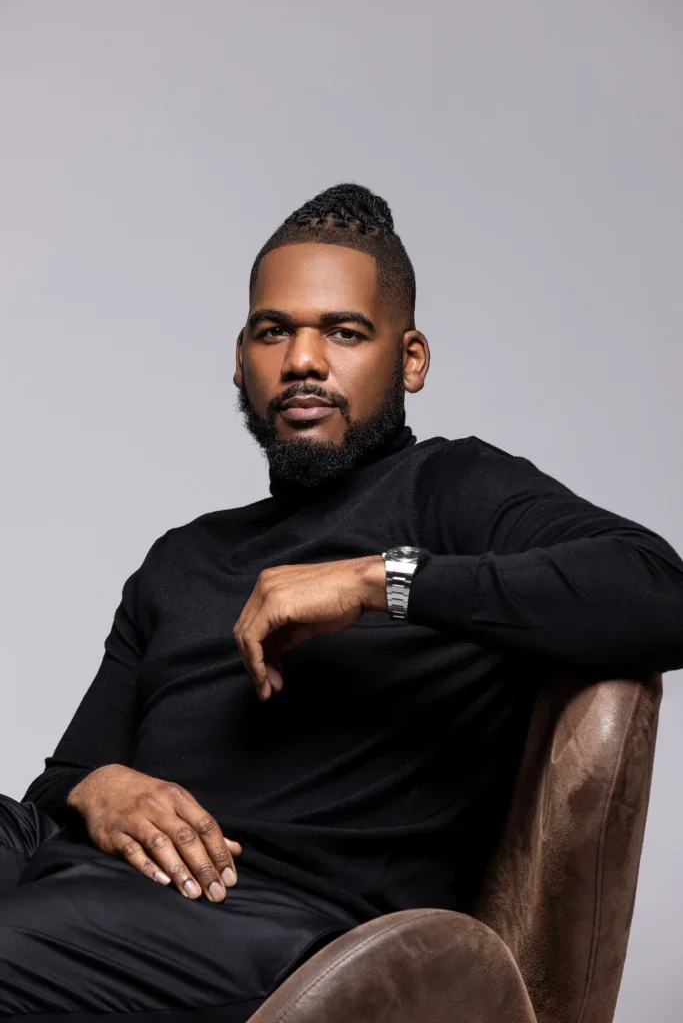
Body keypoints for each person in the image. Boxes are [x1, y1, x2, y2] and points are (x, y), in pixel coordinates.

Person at [2, 183, 682, 1022]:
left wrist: (379, 581)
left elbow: (657, 590)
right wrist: (101, 787)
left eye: (343, 332)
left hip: (266, 923)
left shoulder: (449, 488)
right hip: (59, 868)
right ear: (240, 359)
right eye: (273, 330)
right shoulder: (182, 558)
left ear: (410, 360)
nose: (303, 361)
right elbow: (60, 783)